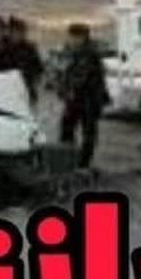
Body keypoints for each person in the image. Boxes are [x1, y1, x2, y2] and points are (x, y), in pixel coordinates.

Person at [58, 23, 110, 170]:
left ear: (82, 37)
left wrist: (68, 89)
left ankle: (82, 163)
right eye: (70, 37)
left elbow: (80, 78)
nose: (71, 40)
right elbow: (67, 74)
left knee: (88, 133)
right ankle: (68, 159)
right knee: (67, 128)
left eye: (73, 37)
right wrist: (63, 89)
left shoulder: (89, 54)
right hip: (76, 100)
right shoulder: (74, 53)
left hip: (88, 101)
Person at [7, 17, 45, 105]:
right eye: (14, 32)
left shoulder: (30, 48)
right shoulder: (5, 49)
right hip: (9, 90)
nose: (17, 35)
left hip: (27, 89)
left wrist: (34, 82)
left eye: (19, 32)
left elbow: (39, 68)